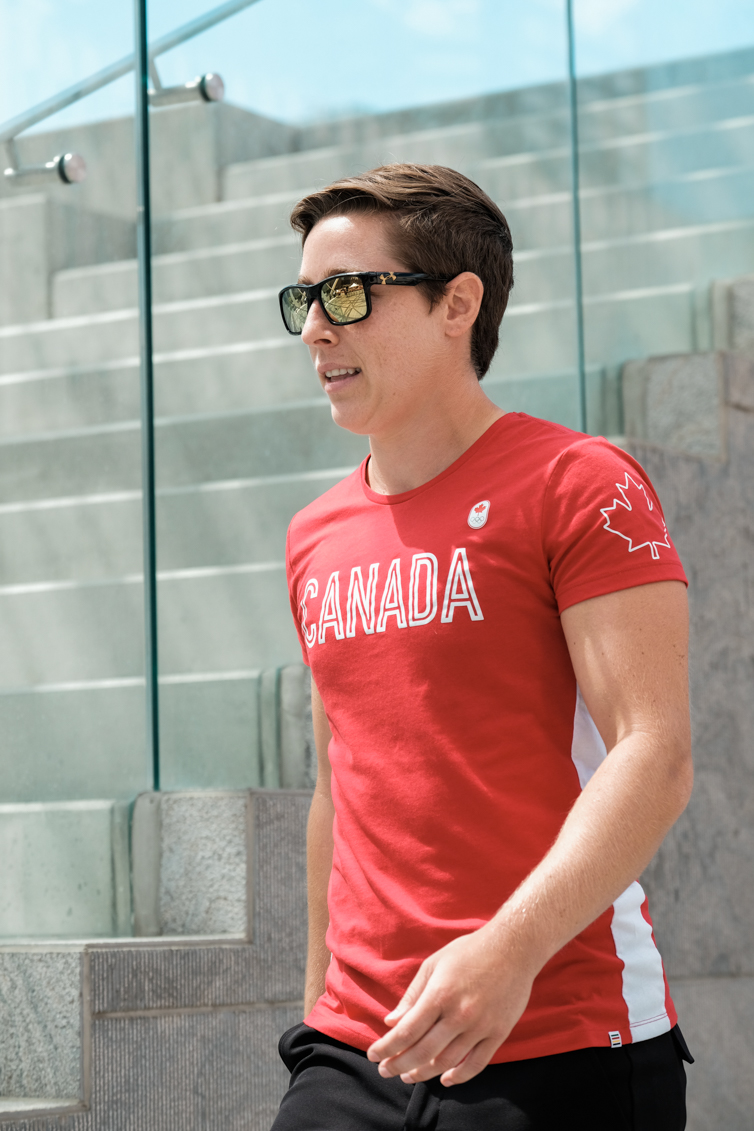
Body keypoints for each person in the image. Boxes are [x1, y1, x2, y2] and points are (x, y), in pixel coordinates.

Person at [272, 163, 694, 1131]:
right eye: (303, 299)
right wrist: (316, 1015)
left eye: (348, 293)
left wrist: (509, 951)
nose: (315, 328)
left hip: (562, 1041)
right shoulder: (312, 536)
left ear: (457, 304)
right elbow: (338, 783)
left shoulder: (581, 484)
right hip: (355, 1051)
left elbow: (655, 753)